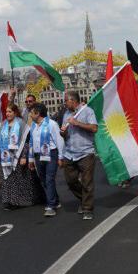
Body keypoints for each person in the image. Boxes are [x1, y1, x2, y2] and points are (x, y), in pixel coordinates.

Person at [0, 103, 45, 210]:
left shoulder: (21, 124)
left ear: (15, 112)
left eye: (10, 111)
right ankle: (9, 201)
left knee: (21, 179)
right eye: (6, 112)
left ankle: (23, 200)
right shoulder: (3, 124)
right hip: (6, 156)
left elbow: (26, 141)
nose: (7, 113)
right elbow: (0, 140)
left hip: (18, 155)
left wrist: (24, 156)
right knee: (7, 179)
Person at [60, 91, 99, 220]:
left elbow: (94, 128)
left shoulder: (87, 111)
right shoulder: (66, 114)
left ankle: (87, 208)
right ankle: (84, 199)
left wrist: (77, 123)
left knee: (87, 182)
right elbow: (65, 134)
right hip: (69, 152)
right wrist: (63, 132)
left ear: (73, 100)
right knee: (70, 181)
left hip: (85, 152)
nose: (64, 103)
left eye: (66, 100)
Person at [28, 103, 65, 217]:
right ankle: (56, 200)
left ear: (37, 113)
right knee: (43, 180)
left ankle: (50, 205)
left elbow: (59, 140)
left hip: (51, 154)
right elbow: (31, 142)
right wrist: (30, 159)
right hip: (38, 155)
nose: (30, 115)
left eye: (32, 112)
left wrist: (60, 157)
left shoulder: (52, 124)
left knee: (49, 179)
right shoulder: (33, 126)